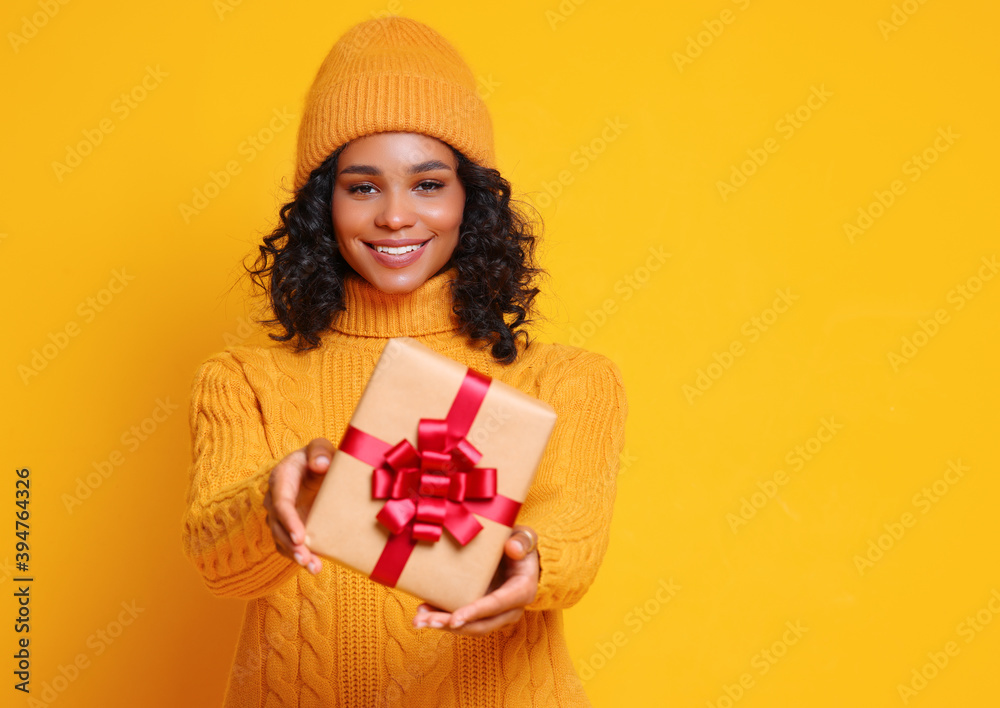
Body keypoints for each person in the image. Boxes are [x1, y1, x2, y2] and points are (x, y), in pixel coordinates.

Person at [181, 15, 628, 707]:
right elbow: (218, 567)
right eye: (362, 187)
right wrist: (275, 504)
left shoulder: (567, 381)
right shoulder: (244, 382)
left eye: (427, 184)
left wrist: (528, 567)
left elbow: (570, 538)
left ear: (469, 200)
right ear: (322, 205)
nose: (395, 216)